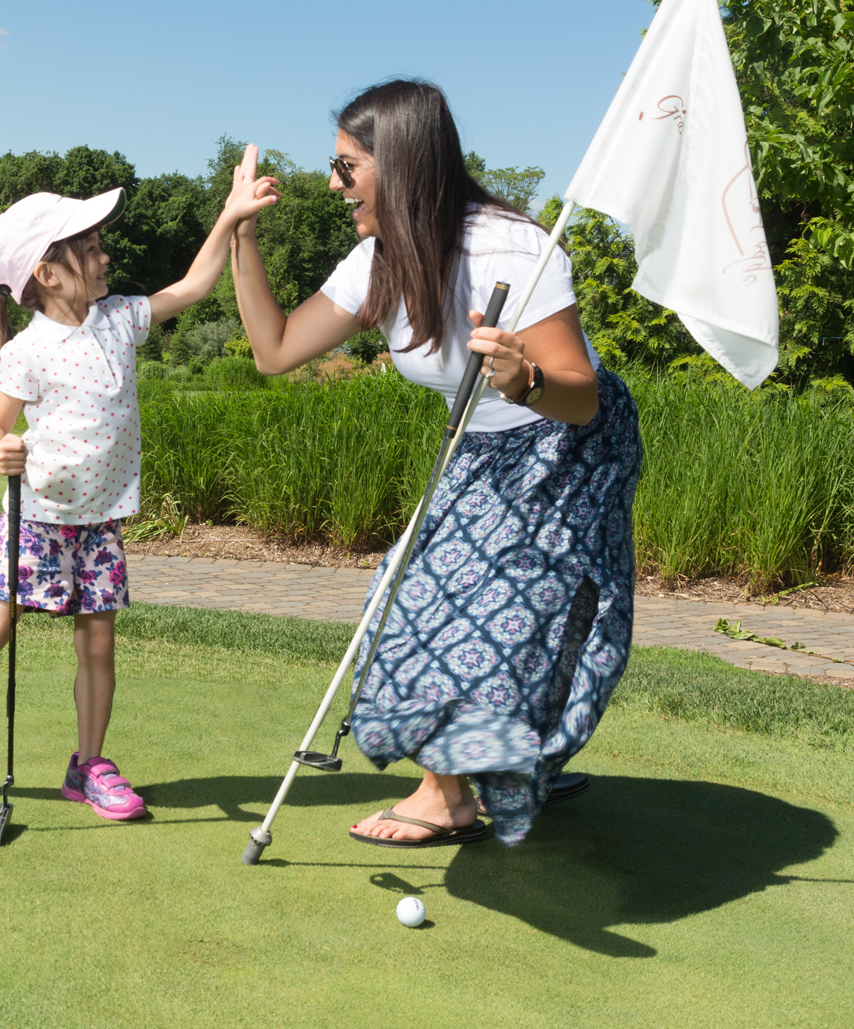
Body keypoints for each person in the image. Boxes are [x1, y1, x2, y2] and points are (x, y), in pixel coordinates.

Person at [231, 78, 642, 848]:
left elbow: (581, 396)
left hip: (572, 444)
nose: (332, 182)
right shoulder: (378, 262)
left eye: (347, 166)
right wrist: (241, 236)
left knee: (513, 614)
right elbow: (274, 349)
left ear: (404, 164)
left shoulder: (515, 248)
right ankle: (501, 772)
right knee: (408, 599)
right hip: (481, 446)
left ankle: (449, 792)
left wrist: (526, 379)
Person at [0, 176, 277, 820]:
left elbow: (195, 284)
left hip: (101, 523)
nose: (104, 256)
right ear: (50, 272)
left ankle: (88, 764)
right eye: (89, 247)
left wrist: (232, 216)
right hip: (39, 520)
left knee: (98, 644)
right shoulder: (26, 351)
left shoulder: (121, 318)